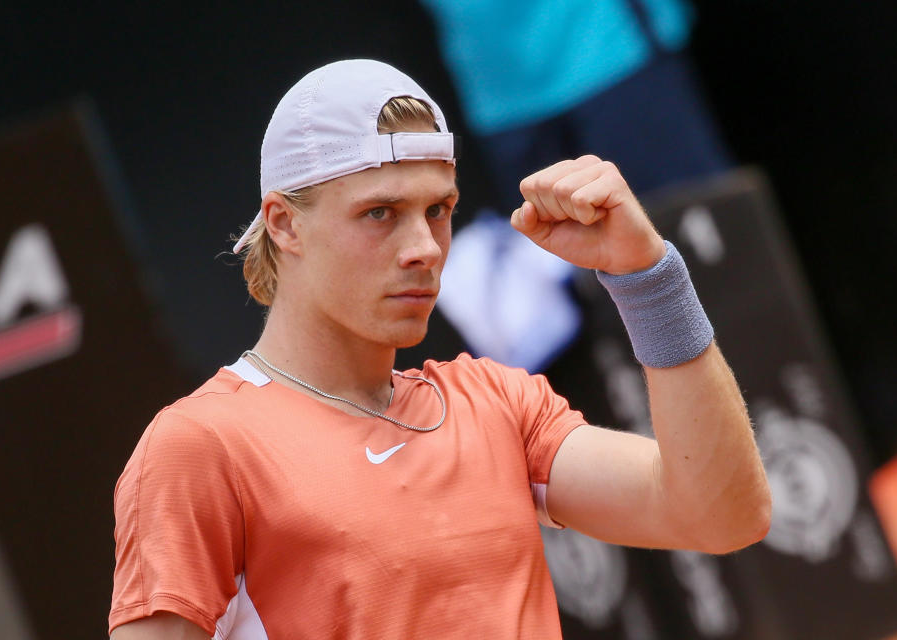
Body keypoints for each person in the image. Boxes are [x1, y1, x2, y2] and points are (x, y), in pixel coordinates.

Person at [108, 59, 770, 639]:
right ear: (284, 224)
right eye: (379, 214)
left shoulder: (496, 400)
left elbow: (722, 516)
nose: (425, 246)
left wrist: (648, 278)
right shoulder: (200, 448)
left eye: (438, 210)